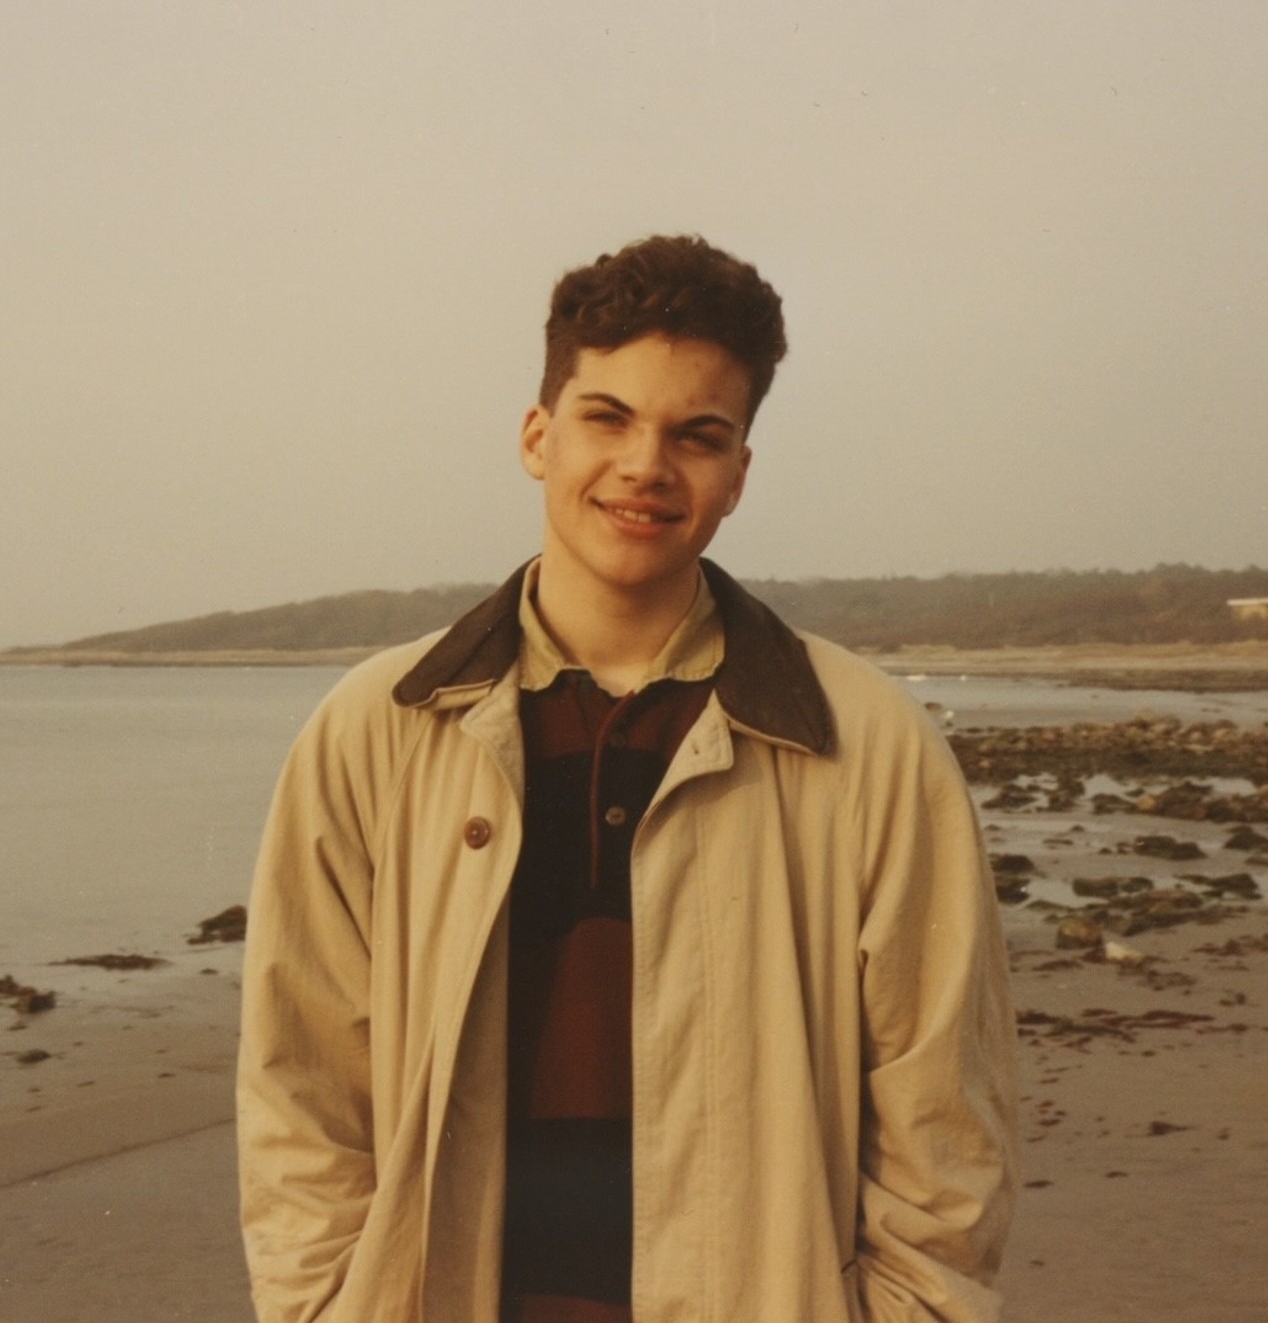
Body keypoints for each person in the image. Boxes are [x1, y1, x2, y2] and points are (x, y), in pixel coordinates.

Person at [237, 235, 1018, 1323]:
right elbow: (302, 1091)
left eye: (697, 436)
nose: (646, 466)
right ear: (536, 436)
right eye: (608, 418)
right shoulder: (375, 731)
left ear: (738, 473)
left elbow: (948, 1129)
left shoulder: (867, 745)